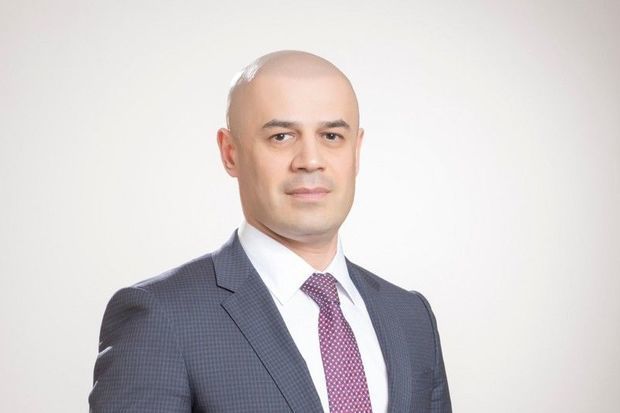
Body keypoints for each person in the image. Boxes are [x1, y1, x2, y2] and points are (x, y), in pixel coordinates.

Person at [89, 50, 452, 413]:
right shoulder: (162, 317)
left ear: (356, 152)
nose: (310, 160)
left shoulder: (411, 317)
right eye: (281, 136)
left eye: (331, 135)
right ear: (230, 153)